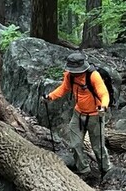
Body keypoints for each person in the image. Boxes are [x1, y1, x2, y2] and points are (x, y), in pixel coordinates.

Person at [46, 50, 111, 179]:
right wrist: (50, 97)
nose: (74, 73)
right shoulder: (69, 76)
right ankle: (84, 170)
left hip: (95, 115)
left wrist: (103, 107)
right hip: (78, 113)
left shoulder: (93, 76)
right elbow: (64, 88)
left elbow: (104, 93)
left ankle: (105, 169)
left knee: (98, 147)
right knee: (75, 144)